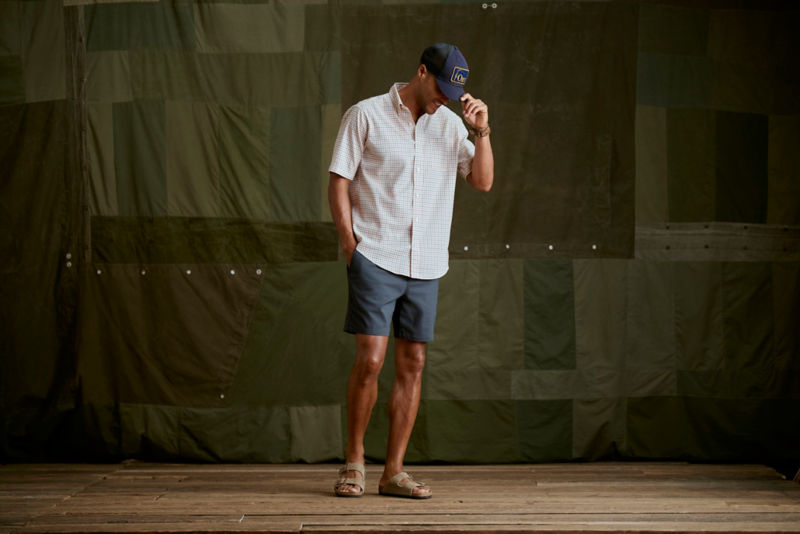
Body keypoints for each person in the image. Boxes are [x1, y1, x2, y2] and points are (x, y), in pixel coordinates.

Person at [327, 43, 494, 499]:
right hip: (375, 254)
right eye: (440, 89)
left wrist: (481, 131)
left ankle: (393, 472)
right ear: (422, 72)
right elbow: (339, 180)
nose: (444, 99)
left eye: (452, 94)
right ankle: (355, 461)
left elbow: (482, 181)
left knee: (413, 363)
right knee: (371, 359)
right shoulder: (365, 115)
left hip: (426, 261)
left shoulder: (450, 125)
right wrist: (350, 245)